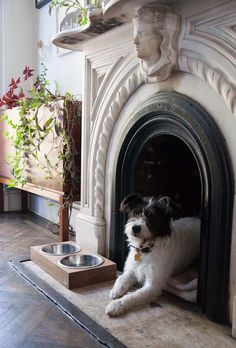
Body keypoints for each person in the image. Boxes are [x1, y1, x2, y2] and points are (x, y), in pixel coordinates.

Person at [133, 4, 180, 81]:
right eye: (135, 35)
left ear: (159, 37)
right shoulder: (144, 70)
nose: (135, 41)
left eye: (142, 34)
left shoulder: (168, 62)